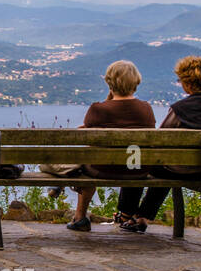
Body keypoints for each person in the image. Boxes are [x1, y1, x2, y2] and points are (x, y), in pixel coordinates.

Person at [119, 55, 201, 233]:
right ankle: (142, 217)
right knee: (171, 165)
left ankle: (127, 214)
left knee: (138, 162)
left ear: (188, 83)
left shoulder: (180, 109)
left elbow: (159, 143)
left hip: (183, 168)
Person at [62, 60, 156, 232]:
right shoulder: (146, 109)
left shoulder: (98, 109)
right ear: (136, 82)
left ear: (109, 82)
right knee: (124, 159)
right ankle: (129, 215)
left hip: (102, 169)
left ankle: (80, 217)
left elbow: (88, 141)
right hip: (136, 168)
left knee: (87, 159)